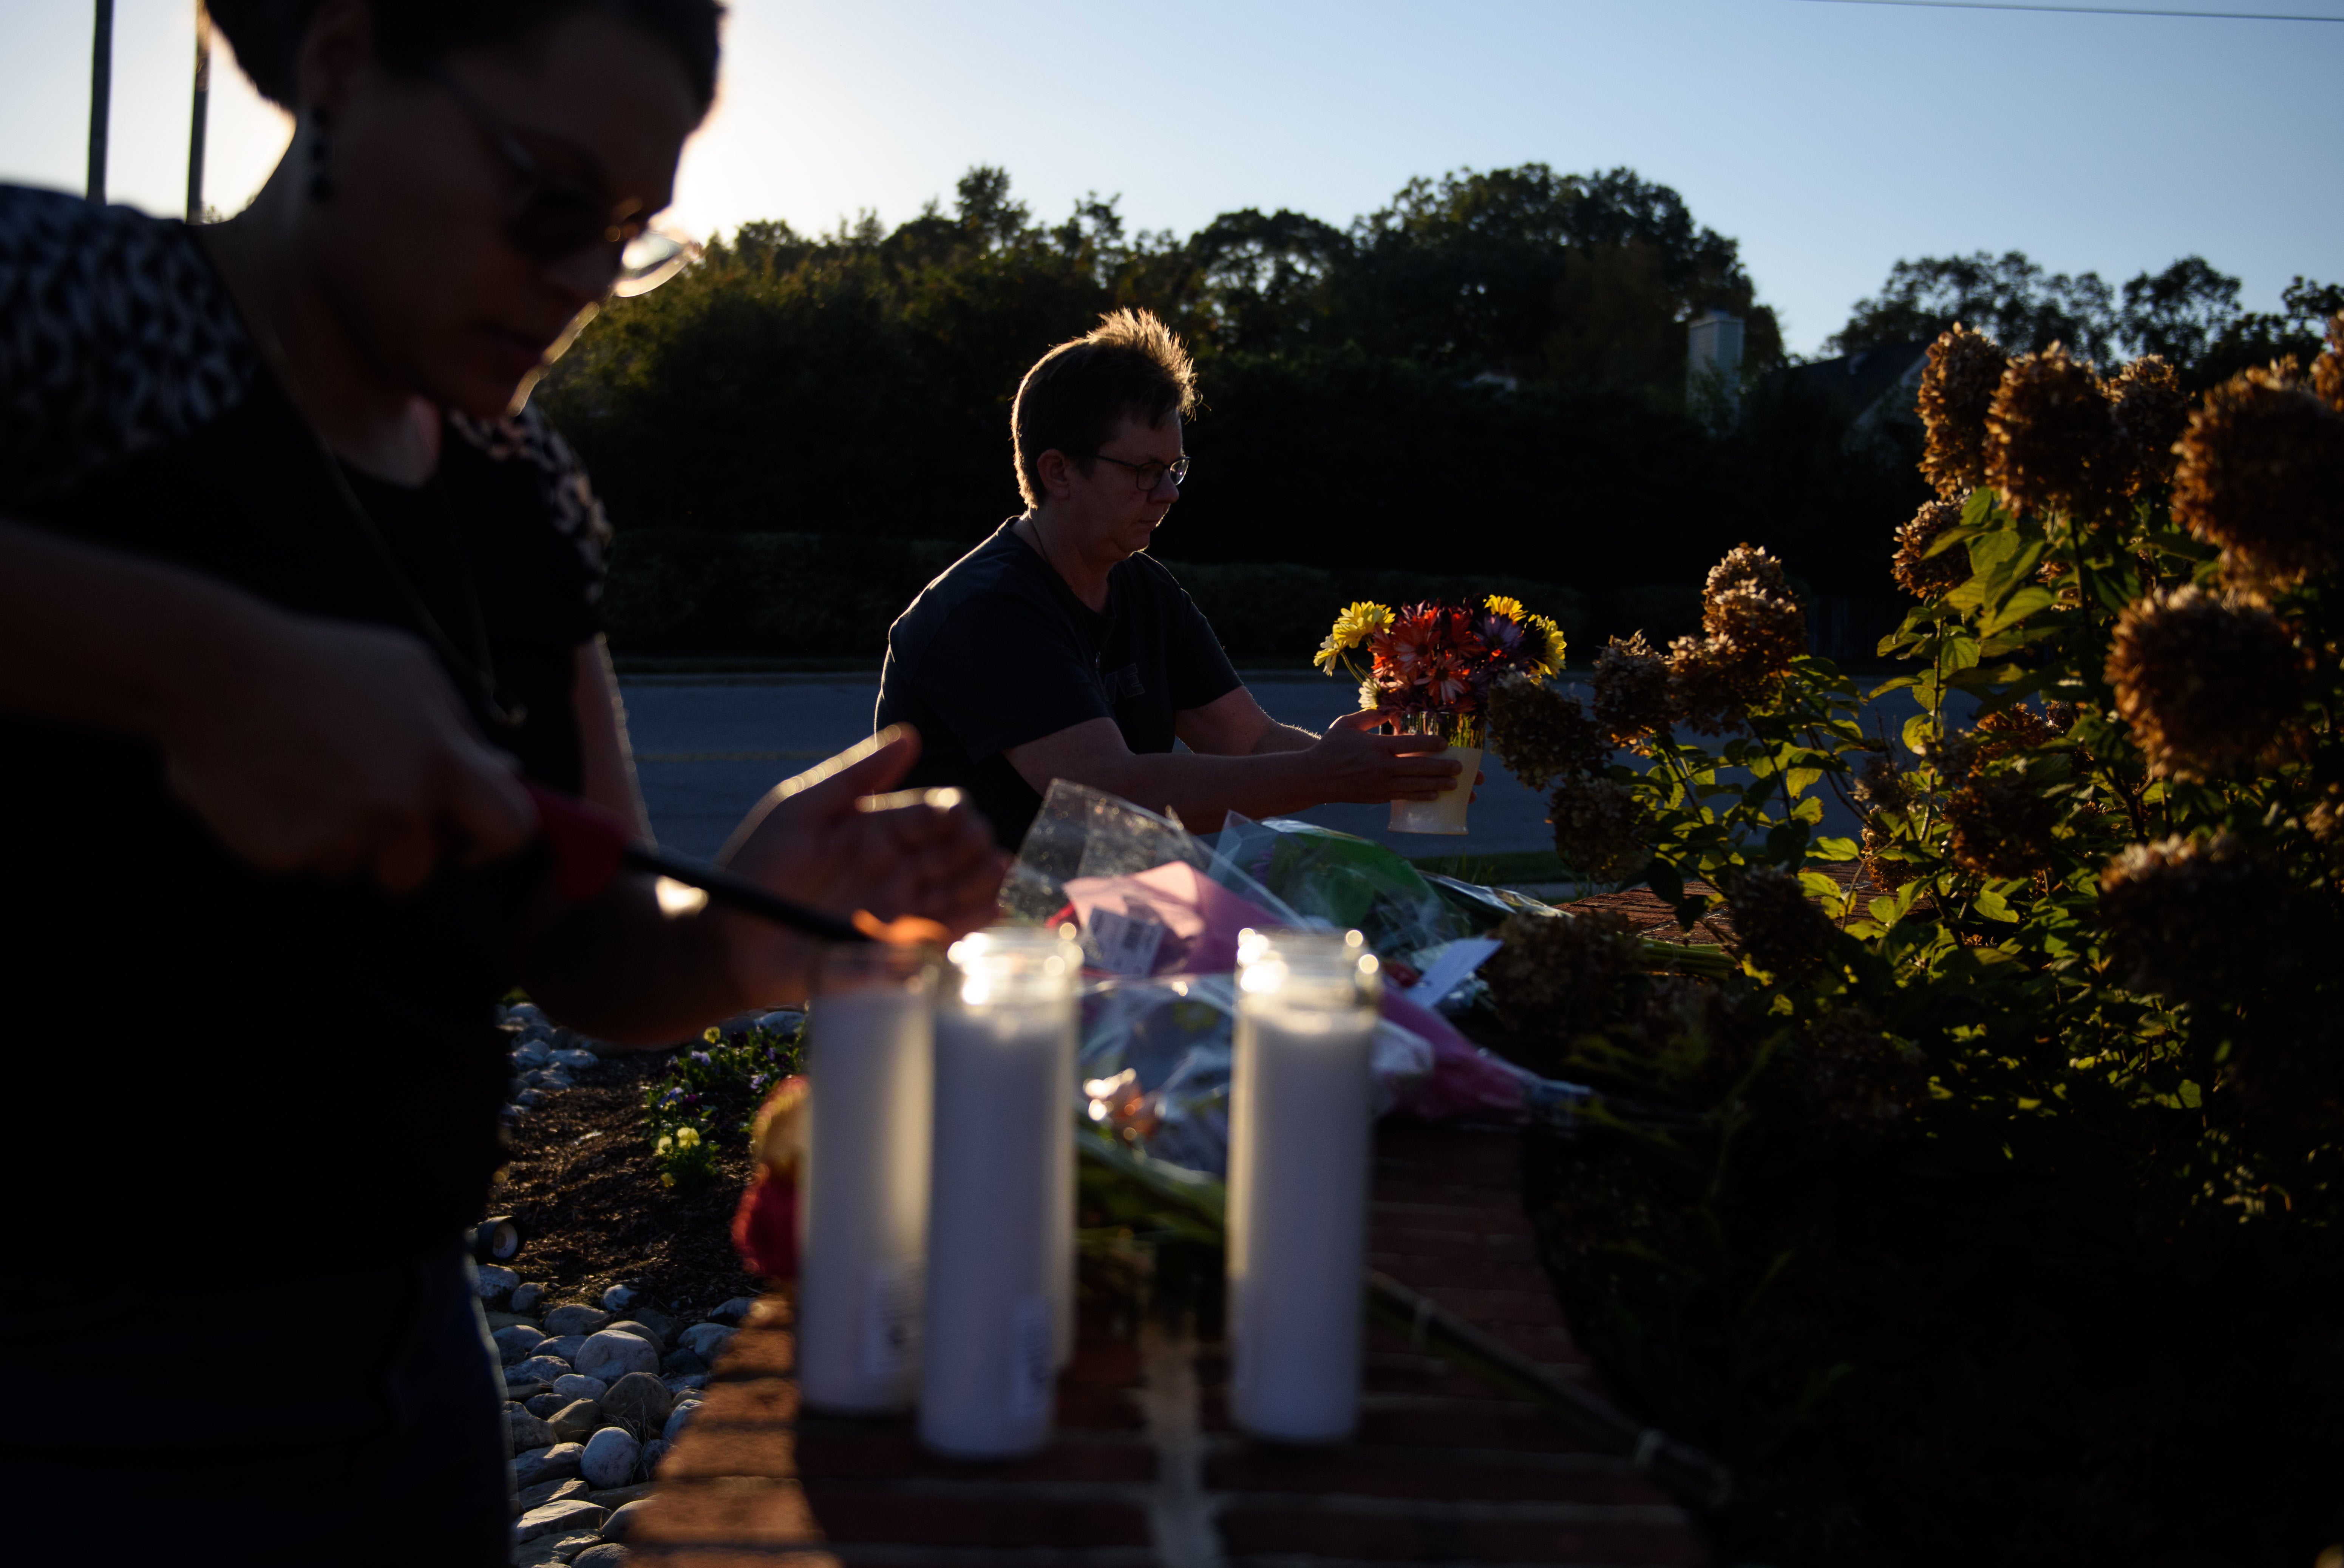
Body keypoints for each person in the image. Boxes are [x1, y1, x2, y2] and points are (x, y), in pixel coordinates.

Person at [0, 3, 997, 1562]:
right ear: (342, 62)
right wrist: (194, 668)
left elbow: (591, 945)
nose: (588, 279)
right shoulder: (74, 304)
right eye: (548, 197)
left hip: (409, 1354)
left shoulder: (520, 490)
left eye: (630, 233)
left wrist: (741, 934)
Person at [876, 308, 1471, 849]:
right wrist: (1326, 773)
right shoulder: (987, 611)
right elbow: (1109, 795)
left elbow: (1251, 742)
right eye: (1143, 470)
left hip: (1079, 930)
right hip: (951, 946)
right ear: (1057, 472)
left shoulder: (1146, 592)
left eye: (1174, 468)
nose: (1169, 493)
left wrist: (1391, 766)